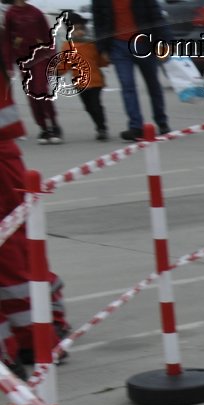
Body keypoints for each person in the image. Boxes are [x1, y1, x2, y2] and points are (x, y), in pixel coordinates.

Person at [0, 32, 69, 376]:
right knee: (20, 248)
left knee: (16, 251)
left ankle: (23, 343)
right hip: (6, 156)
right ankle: (40, 332)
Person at [89, 0, 169, 140]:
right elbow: (99, 21)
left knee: (153, 85)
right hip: (118, 47)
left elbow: (156, 15)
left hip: (144, 43)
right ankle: (135, 127)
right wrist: (103, 48)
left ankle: (162, 122)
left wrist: (162, 42)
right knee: (127, 86)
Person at [6, 0, 60, 144]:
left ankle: (54, 125)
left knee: (40, 90)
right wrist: (9, 65)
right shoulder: (10, 14)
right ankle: (43, 128)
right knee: (31, 95)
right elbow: (7, 41)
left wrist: (52, 55)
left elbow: (49, 36)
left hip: (40, 57)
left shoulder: (36, 13)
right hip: (23, 59)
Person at [62, 13, 109, 141]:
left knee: (95, 105)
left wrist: (106, 59)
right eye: (76, 30)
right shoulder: (67, 46)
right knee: (88, 107)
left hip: (95, 82)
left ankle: (102, 128)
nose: (80, 32)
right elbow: (64, 64)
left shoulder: (92, 44)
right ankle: (99, 126)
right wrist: (56, 72)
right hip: (80, 83)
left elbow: (100, 62)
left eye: (81, 29)